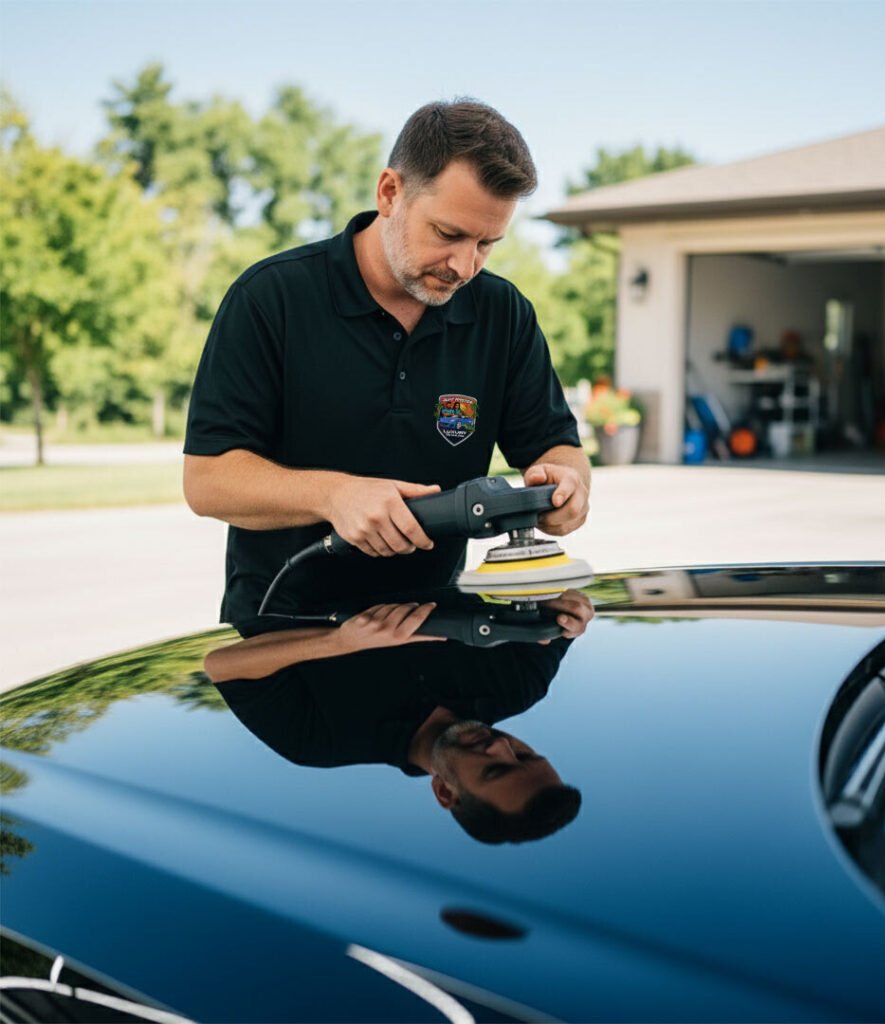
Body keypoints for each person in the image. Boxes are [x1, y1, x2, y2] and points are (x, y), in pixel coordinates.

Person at [183, 99, 590, 627]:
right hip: (286, 640)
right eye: (448, 234)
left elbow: (557, 446)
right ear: (390, 193)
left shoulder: (503, 313)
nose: (465, 266)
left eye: (487, 244)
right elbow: (208, 479)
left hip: (442, 635)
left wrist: (570, 483)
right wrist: (335, 496)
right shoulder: (271, 298)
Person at [204, 591, 595, 844]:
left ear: (445, 791)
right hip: (418, 496)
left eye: (493, 771)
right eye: (525, 755)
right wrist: (570, 609)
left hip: (284, 547)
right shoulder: (522, 683)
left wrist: (339, 642)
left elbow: (222, 664)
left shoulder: (320, 742)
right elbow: (552, 605)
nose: (501, 746)